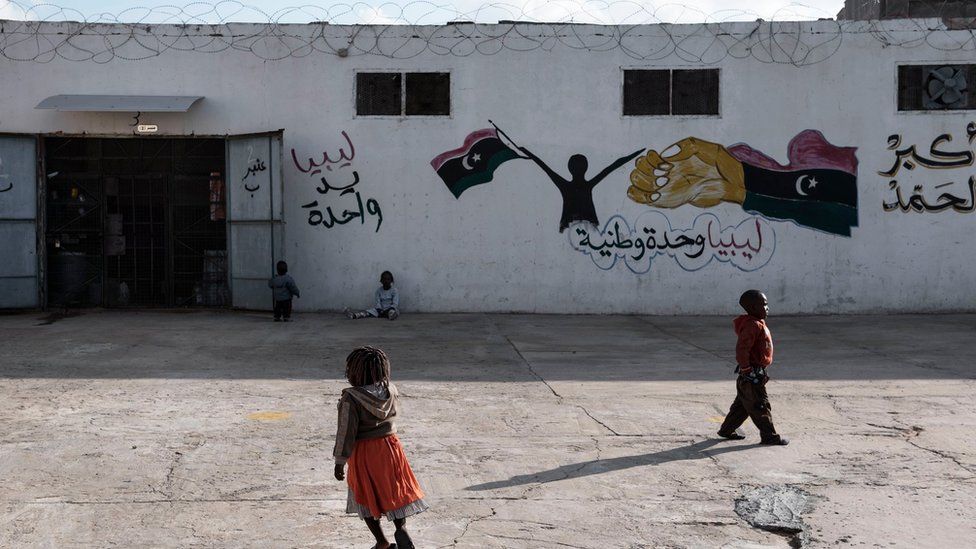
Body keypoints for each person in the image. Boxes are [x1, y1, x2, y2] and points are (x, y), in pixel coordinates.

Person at [334, 346, 427, 549]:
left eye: (350, 369)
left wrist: (340, 462)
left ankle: (382, 542)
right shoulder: (390, 390)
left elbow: (345, 432)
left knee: (365, 496)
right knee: (394, 492)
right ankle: (401, 528)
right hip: (391, 447)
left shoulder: (351, 398)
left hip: (364, 451)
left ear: (356, 372)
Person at [717, 290, 789, 445]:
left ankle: (726, 430)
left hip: (752, 374)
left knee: (742, 406)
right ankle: (769, 436)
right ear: (753, 308)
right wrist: (747, 369)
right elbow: (742, 349)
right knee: (760, 405)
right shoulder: (752, 325)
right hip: (751, 374)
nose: (767, 307)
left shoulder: (757, 323)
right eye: (764, 304)